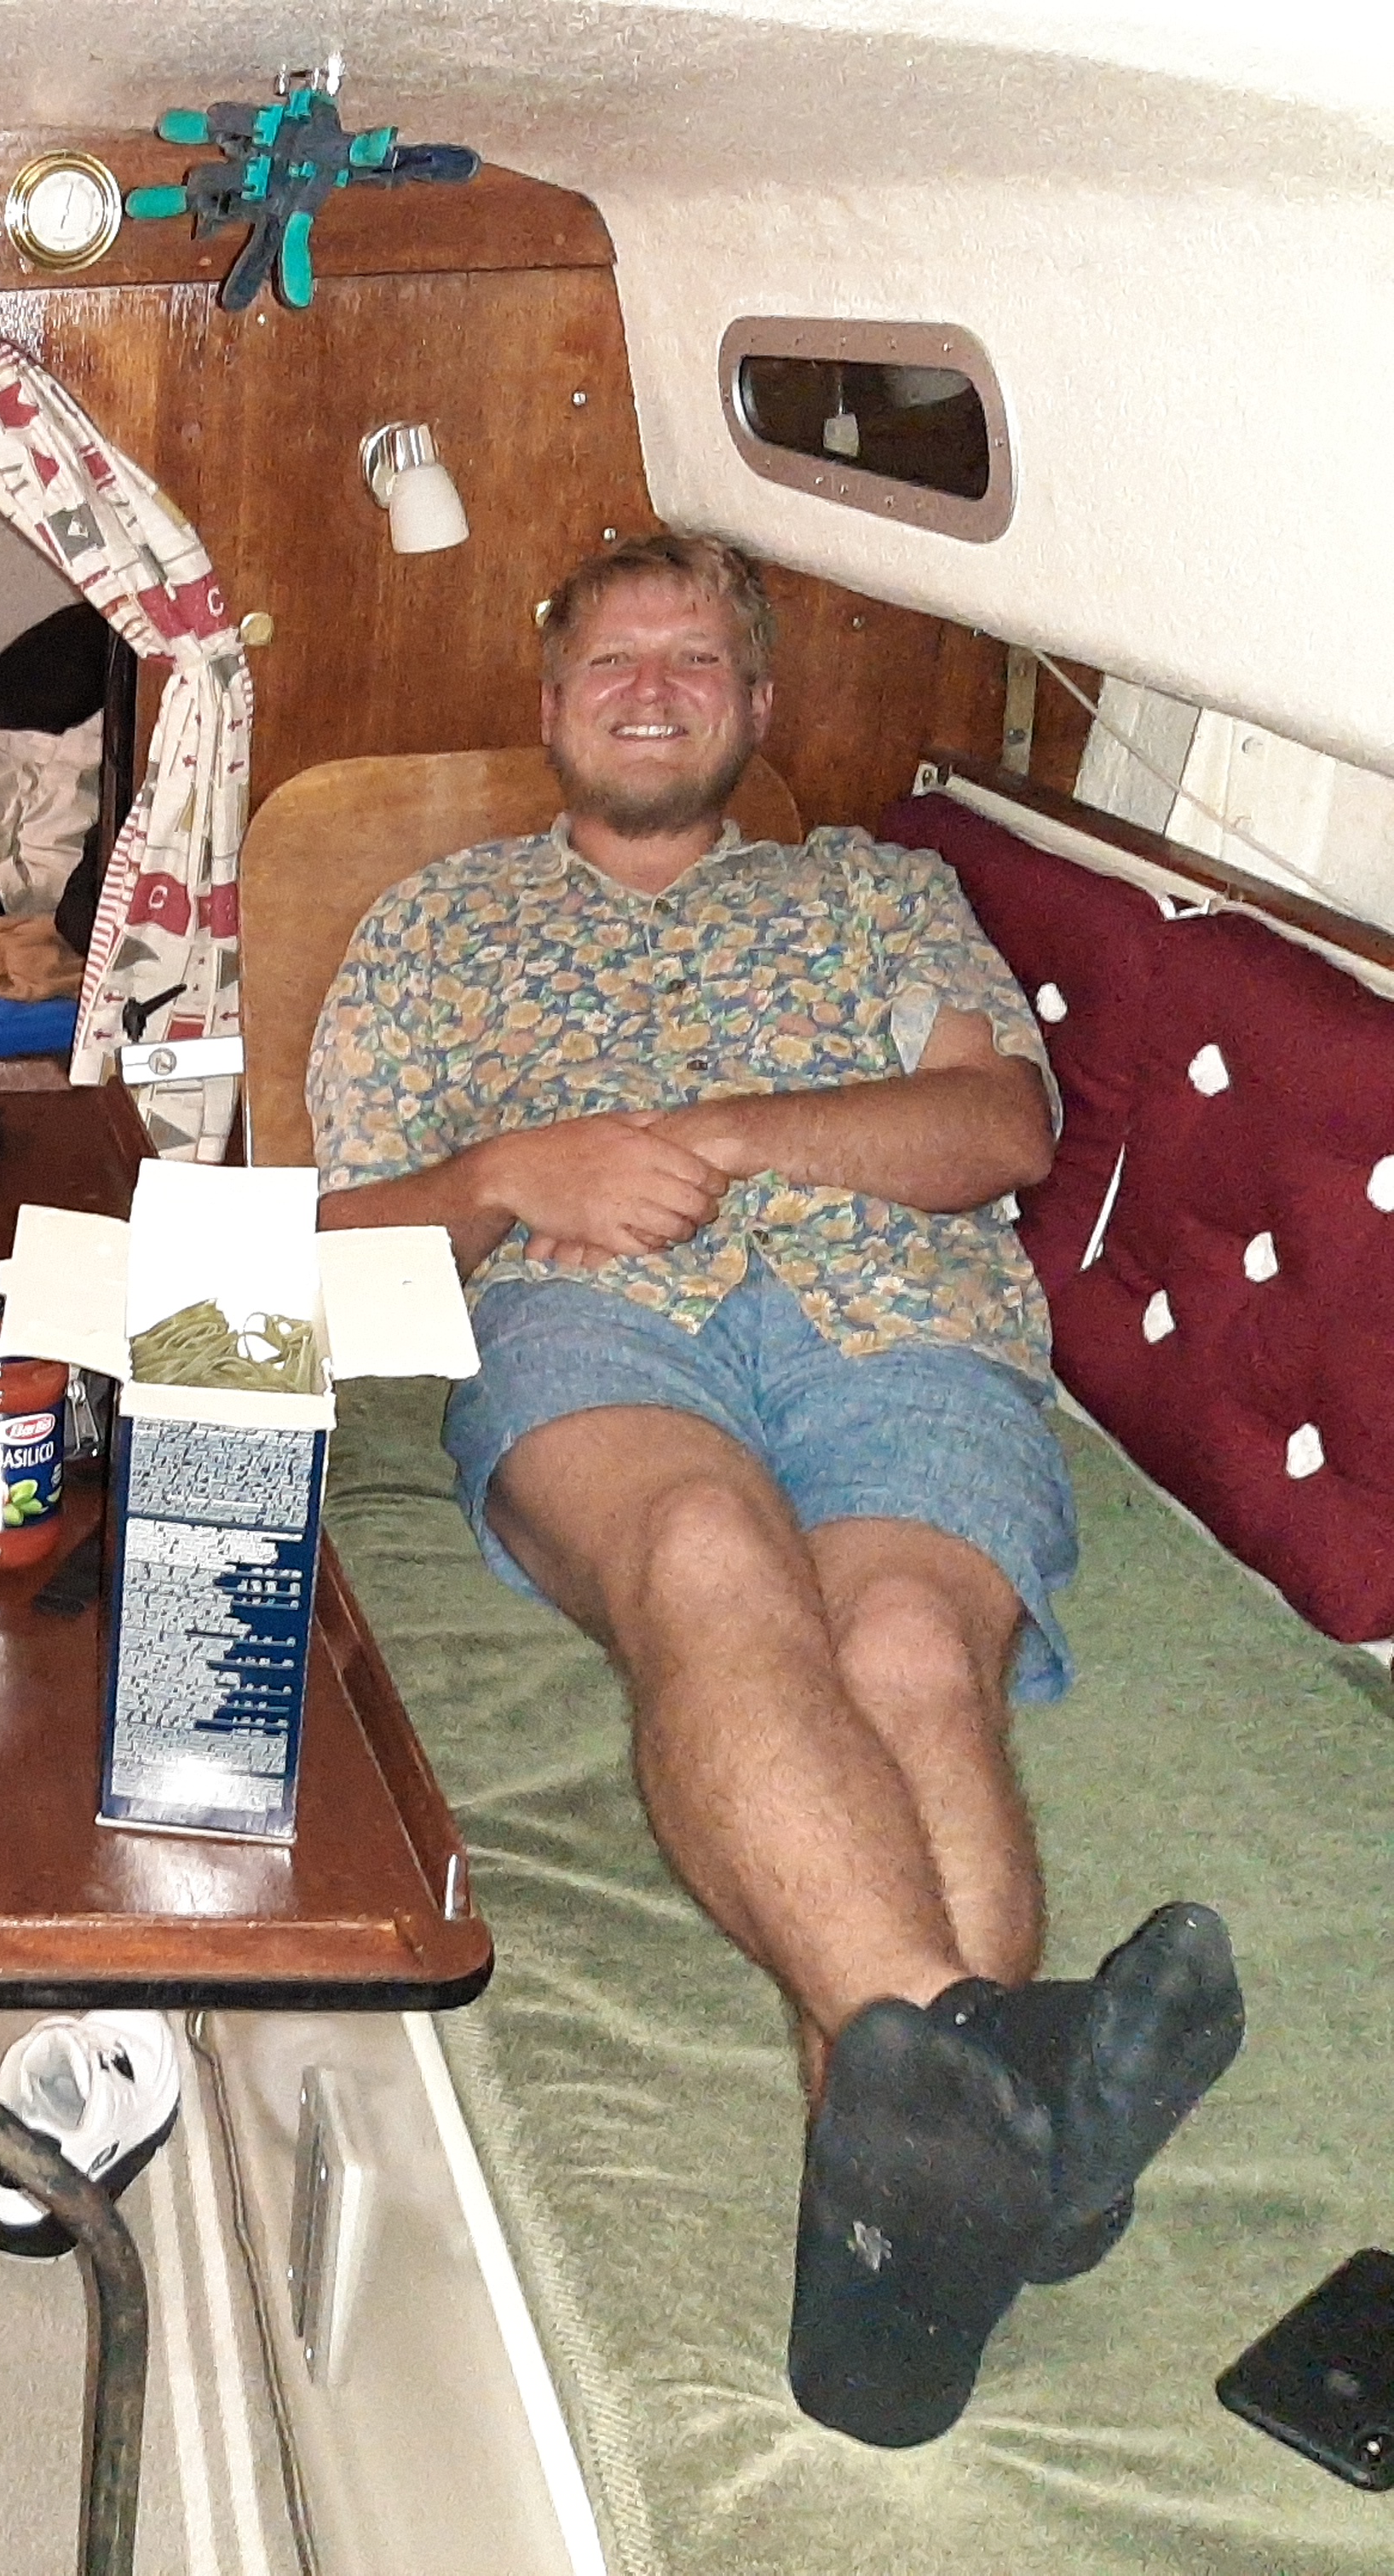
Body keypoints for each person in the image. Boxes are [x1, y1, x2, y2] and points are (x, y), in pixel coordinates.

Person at [306, 535, 1241, 2447]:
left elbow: (1002, 1123)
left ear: (756, 707)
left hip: (907, 1323)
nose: (652, 690)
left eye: (698, 662)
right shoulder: (433, 925)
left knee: (909, 1649)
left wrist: (729, 1133)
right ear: (550, 706)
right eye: (613, 662)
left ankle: (913, 2249)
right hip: (596, 1325)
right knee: (706, 1553)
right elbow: (324, 1241)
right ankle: (1004, 2107)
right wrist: (512, 1173)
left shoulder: (879, 893)